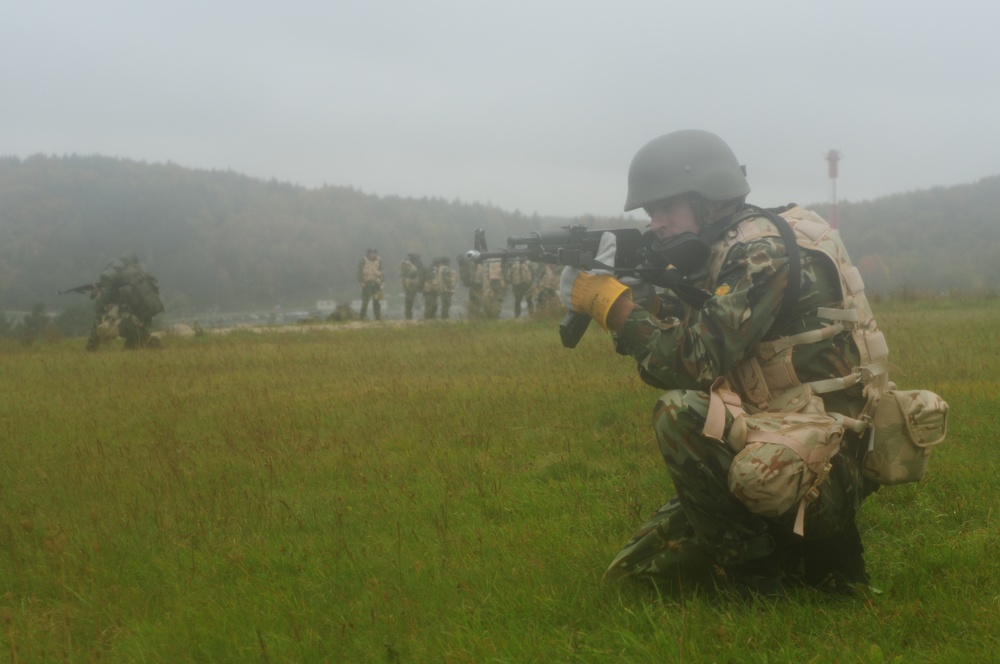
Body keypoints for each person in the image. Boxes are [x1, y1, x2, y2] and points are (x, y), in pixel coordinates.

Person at [561, 129, 890, 598]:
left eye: (665, 209)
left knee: (679, 413)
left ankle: (757, 583)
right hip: (783, 439)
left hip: (822, 465)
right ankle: (801, 556)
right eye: (651, 212)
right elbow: (698, 321)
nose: (655, 223)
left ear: (708, 199)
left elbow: (693, 361)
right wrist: (640, 293)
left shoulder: (761, 253)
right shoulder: (730, 245)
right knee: (634, 575)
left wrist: (615, 309)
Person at [85, 251, 164, 351]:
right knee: (130, 347)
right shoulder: (139, 281)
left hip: (129, 326)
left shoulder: (115, 286)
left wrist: (100, 296)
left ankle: (91, 348)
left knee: (102, 321)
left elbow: (99, 309)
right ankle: (144, 341)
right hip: (143, 328)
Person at [357, 248, 384, 321]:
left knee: (377, 302)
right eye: (371, 253)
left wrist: (382, 282)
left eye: (374, 253)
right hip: (367, 284)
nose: (372, 254)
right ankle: (362, 318)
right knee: (365, 302)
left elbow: (381, 271)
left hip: (376, 284)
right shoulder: (364, 260)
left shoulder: (378, 261)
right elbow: (359, 271)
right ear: (368, 253)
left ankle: (378, 318)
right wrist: (361, 281)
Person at [399, 253, 425, 320]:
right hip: (409, 286)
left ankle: (409, 315)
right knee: (409, 301)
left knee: (411, 301)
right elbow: (404, 276)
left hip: (414, 286)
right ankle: (408, 316)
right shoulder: (407, 266)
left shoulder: (414, 265)